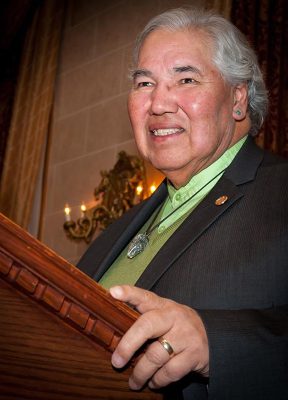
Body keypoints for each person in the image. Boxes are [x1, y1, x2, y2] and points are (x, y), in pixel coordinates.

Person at [77, 7, 288, 400]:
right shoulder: (109, 237)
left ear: (238, 99)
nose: (158, 104)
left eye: (186, 79)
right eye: (144, 83)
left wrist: (216, 345)